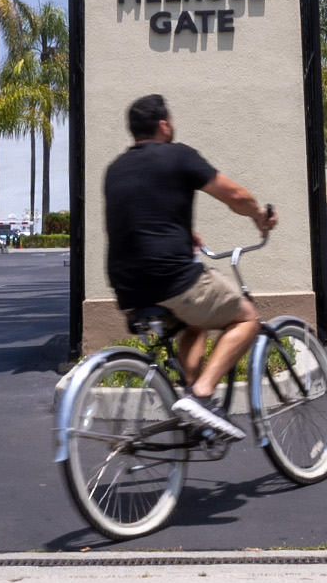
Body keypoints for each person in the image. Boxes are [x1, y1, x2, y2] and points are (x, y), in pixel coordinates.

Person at [102, 91, 279, 439]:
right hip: (172, 278)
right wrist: (260, 216)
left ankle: (190, 401)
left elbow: (140, 219)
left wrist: (185, 236)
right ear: (164, 125)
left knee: (194, 324)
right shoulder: (178, 156)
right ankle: (201, 394)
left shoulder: (115, 169)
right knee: (247, 319)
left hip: (128, 288)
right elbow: (235, 196)